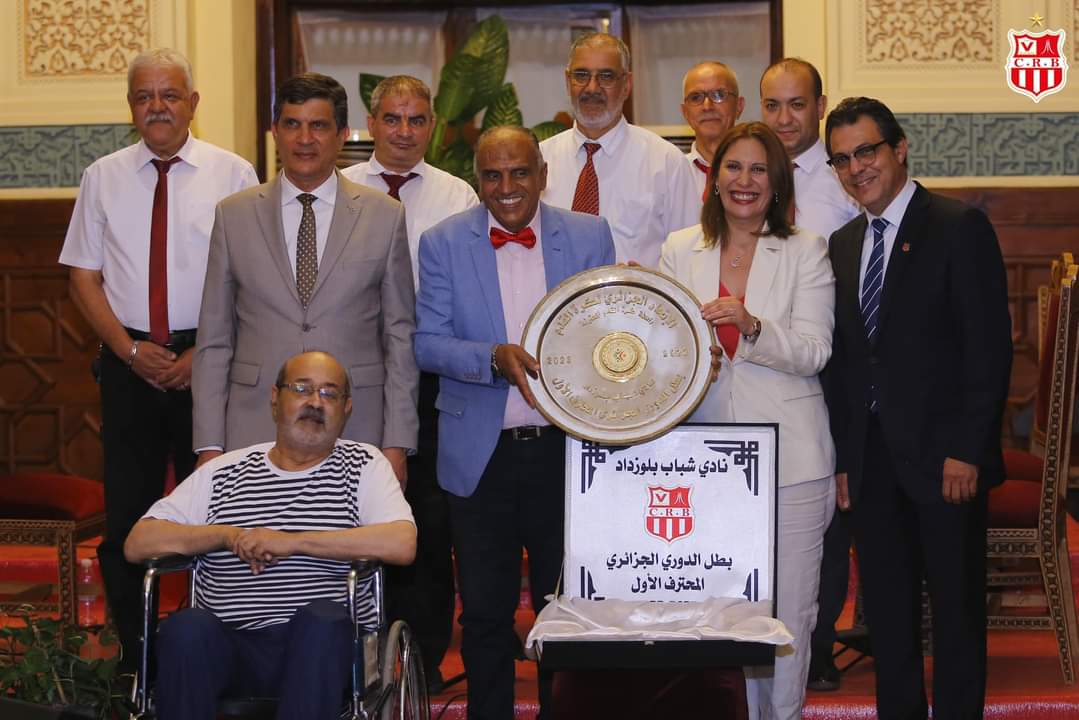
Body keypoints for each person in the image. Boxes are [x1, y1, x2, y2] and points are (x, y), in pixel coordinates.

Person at [58, 47, 257, 673]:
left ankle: (224, 652)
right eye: (144, 97)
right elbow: (82, 277)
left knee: (223, 512)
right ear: (131, 107)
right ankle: (136, 662)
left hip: (213, 361)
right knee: (128, 519)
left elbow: (253, 279)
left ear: (193, 103)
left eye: (170, 95)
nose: (158, 107)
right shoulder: (102, 176)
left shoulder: (233, 172)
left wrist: (202, 353)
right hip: (128, 363)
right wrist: (127, 350)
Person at [414, 126, 614, 719]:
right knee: (483, 612)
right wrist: (490, 357)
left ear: (542, 175)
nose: (506, 186)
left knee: (568, 608)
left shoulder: (589, 234)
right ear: (477, 179)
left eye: (520, 172)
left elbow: (610, 333)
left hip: (566, 452)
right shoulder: (441, 241)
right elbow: (427, 343)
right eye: (492, 175)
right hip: (481, 456)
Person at [823, 97, 1011, 720]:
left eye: (866, 151)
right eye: (841, 159)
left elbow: (988, 349)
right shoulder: (844, 243)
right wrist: (846, 460)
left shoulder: (957, 226)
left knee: (956, 614)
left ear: (899, 149)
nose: (856, 168)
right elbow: (848, 364)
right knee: (888, 617)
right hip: (872, 462)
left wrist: (967, 450)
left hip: (945, 461)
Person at [125, 351, 417, 720]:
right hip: (229, 647)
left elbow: (402, 543)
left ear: (346, 409)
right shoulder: (225, 471)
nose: (315, 402)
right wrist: (227, 536)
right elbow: (138, 543)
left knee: (323, 621)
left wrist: (291, 542)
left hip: (320, 650)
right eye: (302, 389)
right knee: (186, 630)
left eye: (329, 393)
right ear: (275, 399)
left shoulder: (363, 465)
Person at [659, 122, 836, 720]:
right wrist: (685, 363)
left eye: (759, 169)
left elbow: (815, 351)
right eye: (734, 167)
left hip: (793, 462)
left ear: (777, 182)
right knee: (725, 611)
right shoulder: (679, 248)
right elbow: (666, 349)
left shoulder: (806, 249)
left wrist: (752, 325)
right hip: (705, 463)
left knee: (789, 614)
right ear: (714, 179)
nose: (745, 180)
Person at [192, 73, 419, 487]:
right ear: (275, 131)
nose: (304, 139)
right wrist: (208, 445)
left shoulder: (385, 215)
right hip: (252, 425)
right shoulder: (233, 215)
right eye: (292, 124)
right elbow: (214, 340)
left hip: (357, 426)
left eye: (318, 125)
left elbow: (399, 339)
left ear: (341, 134)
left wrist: (397, 443)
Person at [342, 74, 479, 690]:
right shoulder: (341, 189)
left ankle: (421, 662)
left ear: (432, 126)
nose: (404, 131)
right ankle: (355, 656)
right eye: (392, 119)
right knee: (354, 508)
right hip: (356, 374)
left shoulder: (457, 194)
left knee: (427, 515)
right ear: (372, 124)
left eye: (417, 119)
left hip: (431, 378)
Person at [758, 57, 860, 691]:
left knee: (830, 513)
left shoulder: (847, 178)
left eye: (797, 105)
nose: (785, 118)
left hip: (836, 362)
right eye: (773, 105)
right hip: (761, 369)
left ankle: (817, 646)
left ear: (819, 107)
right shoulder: (749, 176)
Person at [539, 32, 698, 267]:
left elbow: (690, 259)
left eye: (606, 76)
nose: (592, 88)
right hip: (557, 292)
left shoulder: (666, 162)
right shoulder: (540, 160)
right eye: (581, 75)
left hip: (636, 292)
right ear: (567, 81)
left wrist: (648, 280)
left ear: (627, 85)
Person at [682, 61, 745, 200]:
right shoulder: (672, 174)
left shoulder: (760, 174)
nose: (707, 106)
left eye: (719, 95)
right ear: (685, 112)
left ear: (739, 106)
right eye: (696, 97)